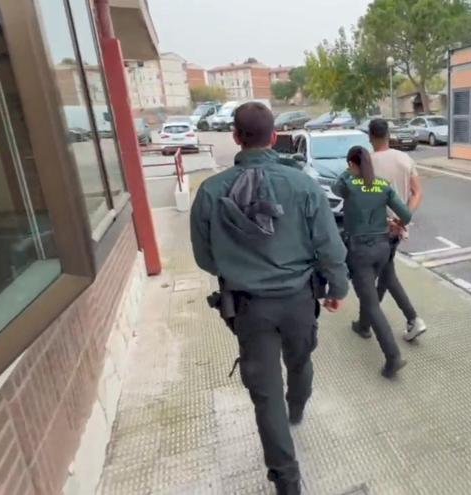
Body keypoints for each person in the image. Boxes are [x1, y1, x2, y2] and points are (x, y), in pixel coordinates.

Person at [190, 102, 348, 495]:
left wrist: (240, 267)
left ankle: (287, 481)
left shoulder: (210, 192)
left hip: (248, 307)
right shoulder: (303, 185)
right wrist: (339, 288)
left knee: (265, 396)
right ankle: (298, 407)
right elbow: (330, 246)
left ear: (235, 137)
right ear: (274, 136)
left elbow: (204, 258)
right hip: (298, 300)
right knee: (300, 360)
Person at [333, 146, 414, 378]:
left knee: (370, 301)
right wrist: (395, 223)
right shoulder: (382, 184)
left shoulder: (348, 183)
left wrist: (348, 172)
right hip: (383, 247)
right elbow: (406, 216)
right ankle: (363, 325)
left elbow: (334, 188)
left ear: (352, 163)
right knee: (370, 291)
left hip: (360, 250)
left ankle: (393, 357)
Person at [351, 118, 427, 342]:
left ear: (371, 137)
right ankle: (366, 323)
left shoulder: (368, 163)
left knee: (380, 277)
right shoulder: (405, 159)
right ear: (388, 135)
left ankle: (412, 319)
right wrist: (402, 221)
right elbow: (417, 193)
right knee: (386, 274)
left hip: (375, 231)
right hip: (397, 231)